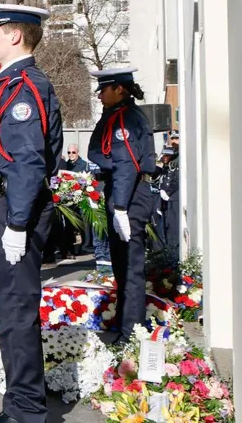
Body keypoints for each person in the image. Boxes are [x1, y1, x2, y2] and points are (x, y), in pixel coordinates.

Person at [0, 4, 62, 423]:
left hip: (13, 205)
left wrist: (17, 223)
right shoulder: (10, 83)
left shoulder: (23, 86)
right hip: (5, 202)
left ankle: (26, 412)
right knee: (10, 311)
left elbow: (27, 159)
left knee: (16, 311)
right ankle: (19, 406)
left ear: (14, 36)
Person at [87, 68, 155, 344]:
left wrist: (121, 208)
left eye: (104, 90)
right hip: (125, 192)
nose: (100, 95)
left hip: (129, 195)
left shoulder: (124, 119)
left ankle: (132, 333)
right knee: (122, 267)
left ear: (119, 89)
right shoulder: (119, 115)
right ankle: (127, 326)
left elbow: (126, 165)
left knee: (129, 269)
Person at [158, 146, 179, 251]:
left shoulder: (173, 166)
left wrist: (167, 192)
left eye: (168, 155)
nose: (165, 157)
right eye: (164, 155)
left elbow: (176, 180)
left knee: (172, 226)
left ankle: (172, 250)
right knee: (166, 226)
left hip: (172, 198)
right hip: (164, 201)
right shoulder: (165, 168)